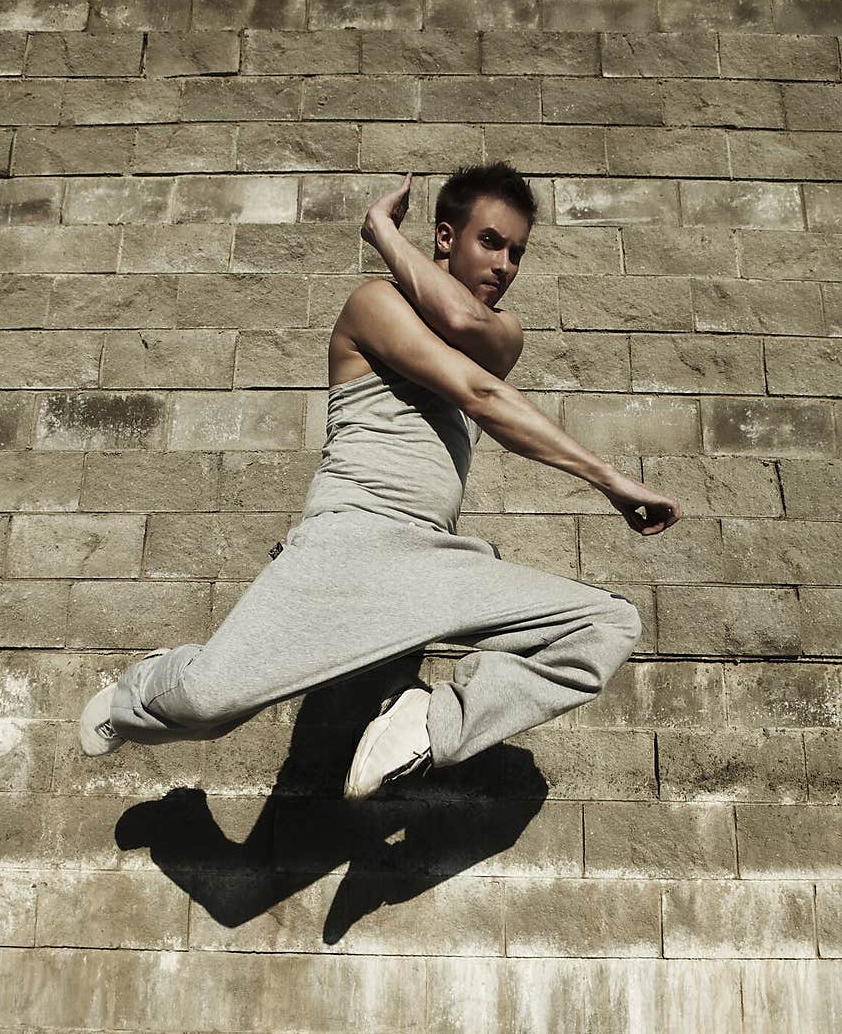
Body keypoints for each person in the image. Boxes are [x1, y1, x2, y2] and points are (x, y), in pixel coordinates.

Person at [79, 161, 681, 801]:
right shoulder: (375, 303)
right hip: (351, 536)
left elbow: (472, 335)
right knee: (205, 705)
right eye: (490, 242)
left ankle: (429, 722)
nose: (505, 264)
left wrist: (383, 231)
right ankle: (139, 693)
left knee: (606, 624)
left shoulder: (500, 334)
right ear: (445, 238)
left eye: (517, 252)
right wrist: (611, 480)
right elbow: (478, 394)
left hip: (437, 557)